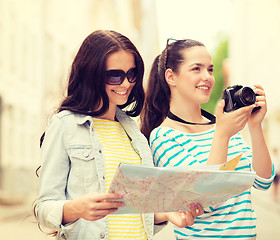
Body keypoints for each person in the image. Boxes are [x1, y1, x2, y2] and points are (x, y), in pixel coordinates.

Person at [34, 30, 203, 240]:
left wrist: (166, 214)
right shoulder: (65, 125)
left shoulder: (135, 135)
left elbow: (135, 209)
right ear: (92, 74)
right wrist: (75, 208)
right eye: (115, 75)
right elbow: (43, 208)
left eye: (131, 74)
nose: (126, 84)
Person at [140, 38, 274, 239]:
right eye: (196, 69)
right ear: (171, 77)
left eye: (210, 70)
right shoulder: (164, 136)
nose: (208, 77)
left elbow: (263, 181)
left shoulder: (223, 126)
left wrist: (255, 126)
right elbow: (202, 201)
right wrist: (222, 135)